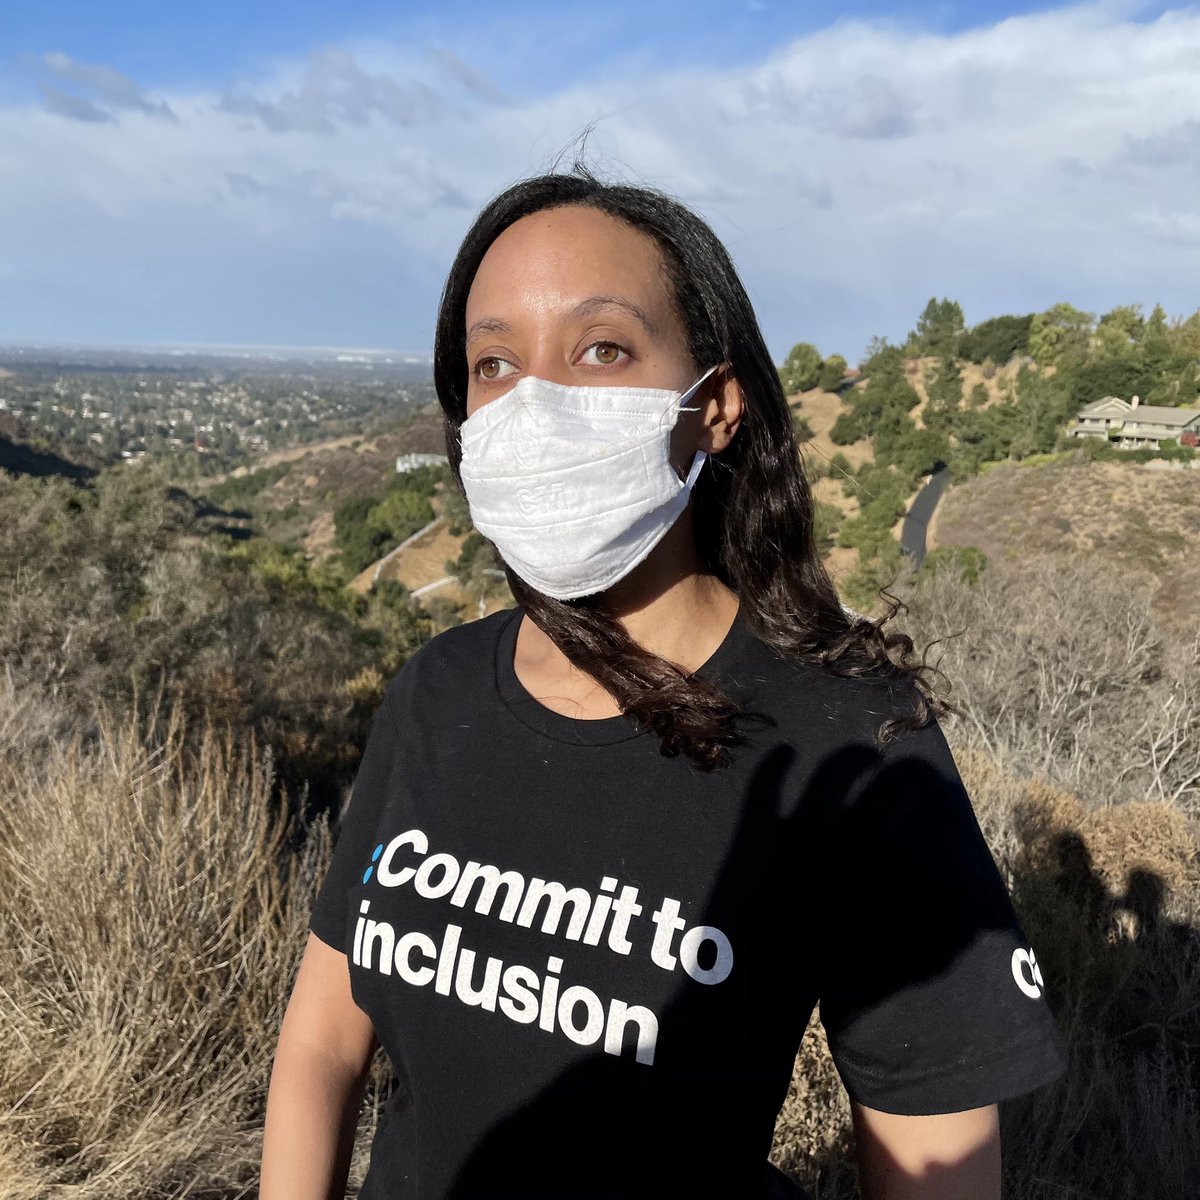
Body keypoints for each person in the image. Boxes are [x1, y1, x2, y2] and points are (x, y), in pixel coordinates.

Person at [261, 168, 1069, 1200]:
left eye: (602, 348)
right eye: (494, 361)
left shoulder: (847, 747)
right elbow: (324, 1044)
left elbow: (936, 1168)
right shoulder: (437, 690)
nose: (537, 401)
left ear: (716, 407)